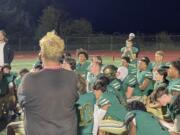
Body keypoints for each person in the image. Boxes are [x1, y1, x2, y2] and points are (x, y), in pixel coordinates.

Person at [17, 32, 79, 135]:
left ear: (41, 54)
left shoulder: (29, 79)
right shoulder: (72, 77)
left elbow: (21, 104)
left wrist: (31, 77)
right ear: (61, 55)